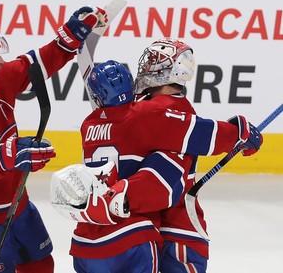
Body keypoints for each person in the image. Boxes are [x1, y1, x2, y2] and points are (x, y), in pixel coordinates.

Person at [0, 5, 107, 273]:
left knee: (40, 263)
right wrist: (17, 153)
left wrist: (69, 37)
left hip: (14, 199)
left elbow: (38, 63)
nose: (1, 60)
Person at [50, 60, 262, 272]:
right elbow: (195, 132)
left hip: (85, 242)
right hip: (133, 233)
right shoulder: (145, 114)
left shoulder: (88, 126)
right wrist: (238, 132)